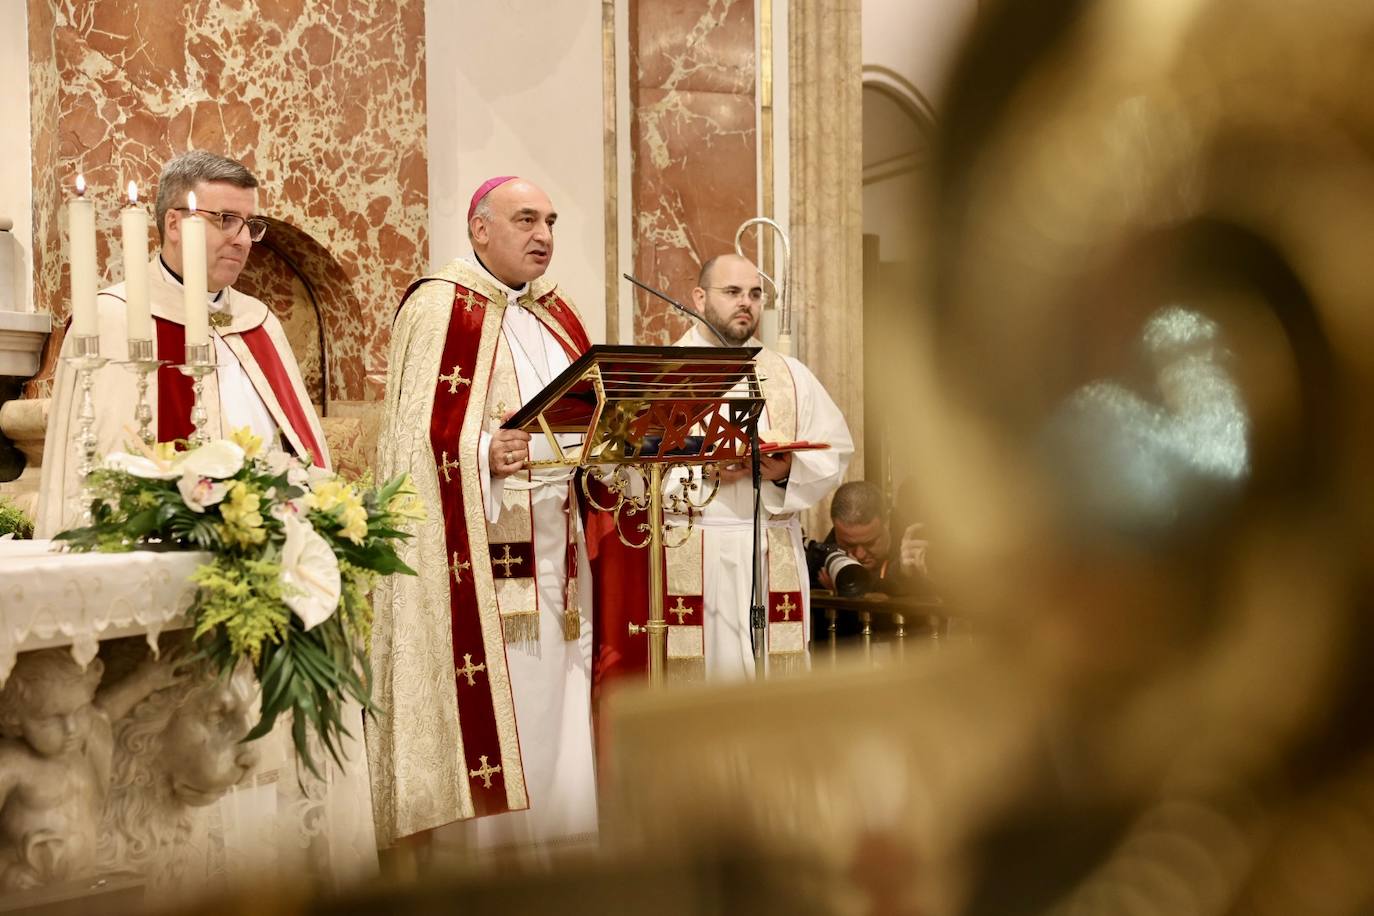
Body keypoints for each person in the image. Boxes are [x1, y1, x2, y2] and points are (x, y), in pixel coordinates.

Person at [369, 176, 597, 852]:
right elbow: (410, 442)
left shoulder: (561, 315)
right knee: (505, 718)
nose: (544, 236)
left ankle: (562, 864)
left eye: (551, 221)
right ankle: (491, 874)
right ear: (480, 229)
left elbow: (588, 413)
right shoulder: (441, 307)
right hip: (482, 565)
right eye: (526, 219)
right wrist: (480, 453)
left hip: (560, 557)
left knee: (558, 714)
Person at [590, 253, 853, 684]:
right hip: (696, 549)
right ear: (698, 297)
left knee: (774, 694)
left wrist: (783, 472)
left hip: (772, 548)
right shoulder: (661, 372)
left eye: (754, 294)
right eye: (732, 292)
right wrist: (704, 470)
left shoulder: (789, 374)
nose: (745, 303)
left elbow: (836, 451)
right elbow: (615, 466)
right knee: (705, 690)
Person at [37, 150, 328, 537]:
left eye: (250, 224)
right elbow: (89, 479)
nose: (243, 240)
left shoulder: (257, 320)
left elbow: (300, 453)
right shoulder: (112, 319)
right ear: (174, 224)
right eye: (226, 220)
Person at [820, 480, 932, 594]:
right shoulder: (830, 547)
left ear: (887, 522)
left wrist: (902, 573)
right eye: (849, 545)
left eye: (870, 543)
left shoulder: (915, 541)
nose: (860, 555)